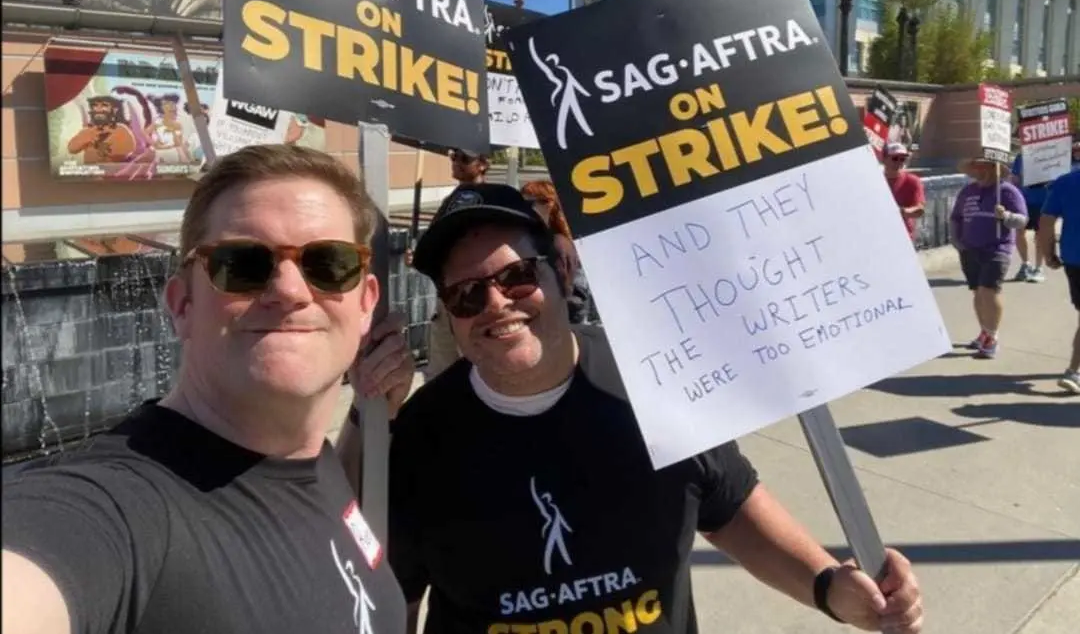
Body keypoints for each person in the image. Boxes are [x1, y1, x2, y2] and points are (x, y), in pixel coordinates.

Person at [387, 182, 925, 634]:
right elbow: (397, 603)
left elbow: (731, 508)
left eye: (517, 277)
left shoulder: (654, 379)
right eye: (466, 295)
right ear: (450, 315)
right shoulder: (418, 436)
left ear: (562, 273)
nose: (496, 304)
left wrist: (829, 587)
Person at [2, 144, 415, 634]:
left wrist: (367, 421)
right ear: (181, 306)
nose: (289, 290)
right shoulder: (117, 506)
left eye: (329, 263)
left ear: (366, 305)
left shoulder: (308, 459)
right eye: (242, 264)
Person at [950, 156, 1028, 359]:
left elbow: (1022, 220)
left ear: (996, 169)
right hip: (969, 249)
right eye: (977, 166)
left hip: (997, 248)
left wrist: (1007, 217)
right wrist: (957, 241)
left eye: (985, 166)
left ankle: (992, 338)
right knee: (977, 292)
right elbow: (955, 218)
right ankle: (984, 331)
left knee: (989, 290)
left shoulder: (1007, 192)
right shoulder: (967, 191)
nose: (980, 170)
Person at [423, 148, 492, 379]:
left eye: (465, 158)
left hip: (474, 295)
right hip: (446, 296)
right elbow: (435, 241)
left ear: (482, 164)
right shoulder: (450, 201)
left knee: (477, 366)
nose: (457, 163)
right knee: (440, 370)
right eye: (454, 157)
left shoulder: (493, 199)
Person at [521, 179, 593, 324]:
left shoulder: (559, 244)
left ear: (548, 204)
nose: (523, 209)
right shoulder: (536, 238)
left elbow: (574, 295)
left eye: (528, 204)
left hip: (562, 324)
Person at [1037, 167, 1080, 393]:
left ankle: (1074, 370)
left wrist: (1048, 253)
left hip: (1074, 258)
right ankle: (1073, 370)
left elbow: (1045, 221)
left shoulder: (1064, 182)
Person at [1009, 151, 1048, 283]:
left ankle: (1038, 268)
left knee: (1041, 234)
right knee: (1019, 231)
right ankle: (1026, 264)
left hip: (1044, 200)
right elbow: (1014, 179)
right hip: (1023, 200)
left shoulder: (1052, 153)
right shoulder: (1021, 157)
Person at [881, 142, 925, 244]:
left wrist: (900, 212)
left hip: (903, 239)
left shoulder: (913, 181)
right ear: (884, 159)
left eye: (903, 159)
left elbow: (920, 209)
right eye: (895, 158)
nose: (899, 162)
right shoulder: (875, 181)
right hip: (878, 235)